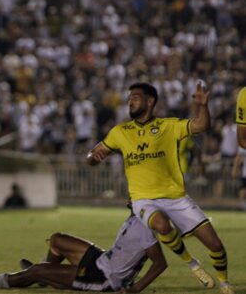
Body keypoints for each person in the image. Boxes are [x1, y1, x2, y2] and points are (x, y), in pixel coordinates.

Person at [87, 82, 234, 294]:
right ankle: (191, 263)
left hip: (176, 198)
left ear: (150, 101)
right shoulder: (120, 131)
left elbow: (202, 126)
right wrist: (93, 157)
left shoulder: (168, 126)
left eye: (136, 97)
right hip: (143, 199)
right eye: (129, 98)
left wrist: (203, 106)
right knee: (162, 225)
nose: (130, 101)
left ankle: (225, 282)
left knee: (216, 245)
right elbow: (92, 155)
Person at [0, 206, 167, 293]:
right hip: (102, 259)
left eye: (133, 194)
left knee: (37, 270)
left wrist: (135, 288)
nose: (129, 197)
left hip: (103, 278)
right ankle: (45, 274)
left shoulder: (146, 227)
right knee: (57, 240)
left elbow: (160, 262)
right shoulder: (136, 217)